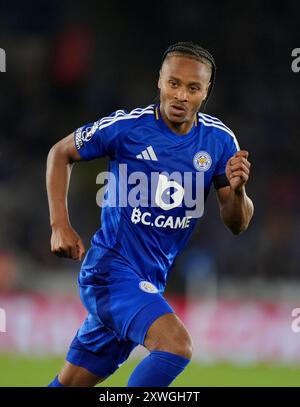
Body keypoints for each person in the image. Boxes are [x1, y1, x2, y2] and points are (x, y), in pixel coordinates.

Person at [46, 41, 253, 387]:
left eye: (192, 88)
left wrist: (239, 190)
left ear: (206, 92)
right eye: (173, 83)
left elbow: (237, 223)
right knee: (176, 346)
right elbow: (59, 153)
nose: (181, 95)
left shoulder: (220, 142)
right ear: (159, 81)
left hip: (148, 283)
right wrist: (59, 225)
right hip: (110, 273)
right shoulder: (127, 128)